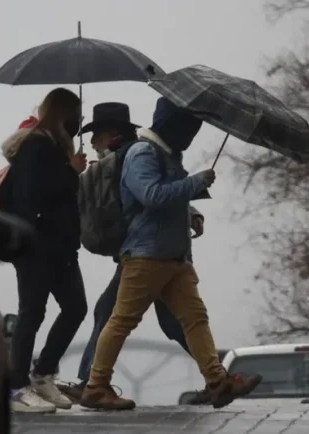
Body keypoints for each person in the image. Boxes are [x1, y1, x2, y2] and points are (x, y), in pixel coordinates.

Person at [79, 97, 262, 411]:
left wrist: (190, 207)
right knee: (120, 319)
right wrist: (195, 183)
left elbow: (167, 192)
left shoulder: (165, 155)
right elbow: (150, 195)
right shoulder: (141, 153)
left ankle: (217, 381)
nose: (190, 137)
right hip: (146, 254)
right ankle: (95, 386)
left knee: (193, 319)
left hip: (173, 256)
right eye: (187, 129)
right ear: (172, 125)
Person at [56, 102, 210, 404]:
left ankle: (91, 382)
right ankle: (218, 375)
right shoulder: (126, 157)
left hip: (145, 252)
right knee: (175, 321)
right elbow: (156, 190)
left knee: (113, 313)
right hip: (148, 249)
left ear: (111, 134)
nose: (92, 144)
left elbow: (150, 190)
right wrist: (190, 210)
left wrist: (71, 174)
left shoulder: (129, 156)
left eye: (96, 136)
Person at [0, 88, 89, 413]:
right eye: (75, 114)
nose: (78, 122)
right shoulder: (35, 147)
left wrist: (68, 167)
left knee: (75, 307)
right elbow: (33, 195)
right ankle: (16, 387)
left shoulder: (53, 149)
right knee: (32, 313)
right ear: (61, 114)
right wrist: (71, 171)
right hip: (36, 247)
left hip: (60, 247)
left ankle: (43, 373)